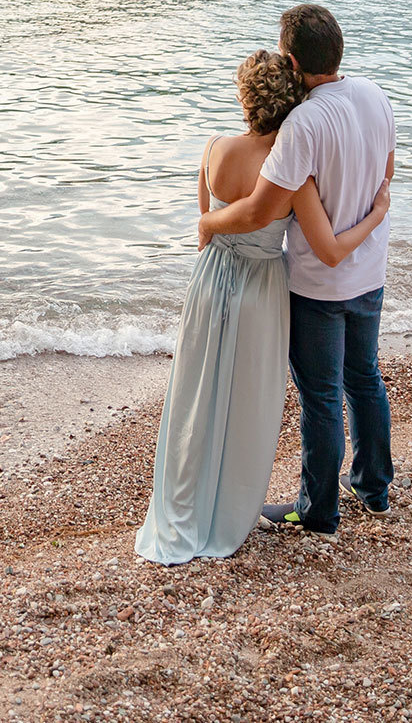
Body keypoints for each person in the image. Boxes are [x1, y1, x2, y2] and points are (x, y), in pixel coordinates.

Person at [135, 50, 391, 564]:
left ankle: (183, 500)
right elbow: (319, 241)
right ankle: (253, 503)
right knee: (251, 400)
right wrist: (379, 209)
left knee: (198, 390)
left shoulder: (212, 149)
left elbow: (209, 224)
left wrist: (209, 225)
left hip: (209, 282)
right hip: (262, 288)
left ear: (244, 99)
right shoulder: (293, 174)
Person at [197, 4, 397, 538]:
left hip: (319, 285)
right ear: (338, 50)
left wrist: (209, 221)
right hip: (370, 272)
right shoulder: (375, 94)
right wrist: (374, 213)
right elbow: (387, 171)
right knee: (365, 379)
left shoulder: (303, 123)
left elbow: (263, 208)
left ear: (290, 59)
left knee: (322, 396)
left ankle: (318, 512)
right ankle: (375, 490)